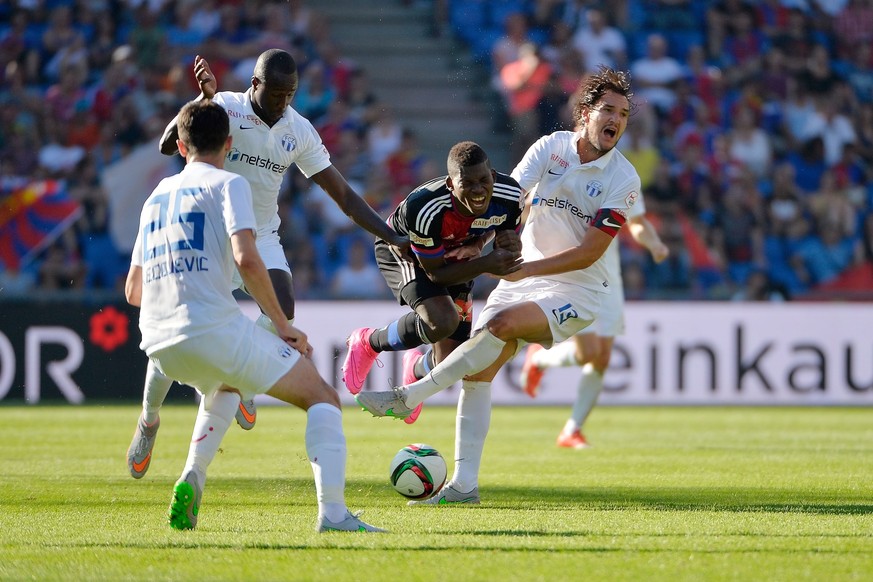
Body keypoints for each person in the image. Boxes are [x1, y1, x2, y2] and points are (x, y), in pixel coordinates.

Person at [355, 67, 639, 505]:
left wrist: (521, 269)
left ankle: (408, 395)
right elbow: (507, 199)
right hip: (521, 277)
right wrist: (480, 244)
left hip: (576, 289)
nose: (616, 120)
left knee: (501, 324)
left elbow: (589, 254)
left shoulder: (623, 179)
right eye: (608, 109)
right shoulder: (550, 148)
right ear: (584, 113)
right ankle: (464, 486)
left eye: (623, 113)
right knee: (477, 372)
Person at [126, 48, 408, 477]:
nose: (281, 102)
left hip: (261, 234)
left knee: (284, 305)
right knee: (181, 317)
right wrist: (203, 100)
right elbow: (171, 144)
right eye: (274, 93)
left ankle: (246, 380)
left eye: (289, 94)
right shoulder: (225, 106)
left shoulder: (299, 130)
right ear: (254, 85)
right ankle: (149, 419)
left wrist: (390, 234)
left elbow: (345, 196)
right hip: (213, 234)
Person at [341, 141, 524, 424]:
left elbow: (502, 231)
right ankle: (368, 341)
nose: (478, 190)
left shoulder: (511, 194)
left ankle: (414, 367)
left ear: (493, 174)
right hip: (404, 251)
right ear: (451, 184)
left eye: (484, 180)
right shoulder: (426, 207)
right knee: (442, 321)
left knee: (450, 362)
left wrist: (489, 243)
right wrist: (486, 262)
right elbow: (436, 274)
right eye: (468, 183)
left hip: (459, 252)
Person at [518, 192, 669, 449]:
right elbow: (526, 209)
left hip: (609, 278)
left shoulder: (623, 178)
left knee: (602, 358)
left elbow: (637, 221)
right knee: (588, 353)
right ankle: (539, 358)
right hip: (571, 275)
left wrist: (655, 244)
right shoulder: (561, 164)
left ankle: (572, 430)